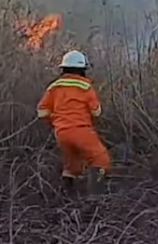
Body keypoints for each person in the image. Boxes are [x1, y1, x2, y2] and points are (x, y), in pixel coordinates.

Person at [36, 50, 111, 196]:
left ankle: (67, 199)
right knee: (100, 159)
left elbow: (42, 111)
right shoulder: (85, 86)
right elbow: (96, 111)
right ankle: (94, 200)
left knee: (72, 165)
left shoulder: (54, 87)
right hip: (81, 130)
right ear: (83, 69)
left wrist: (56, 121)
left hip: (61, 133)